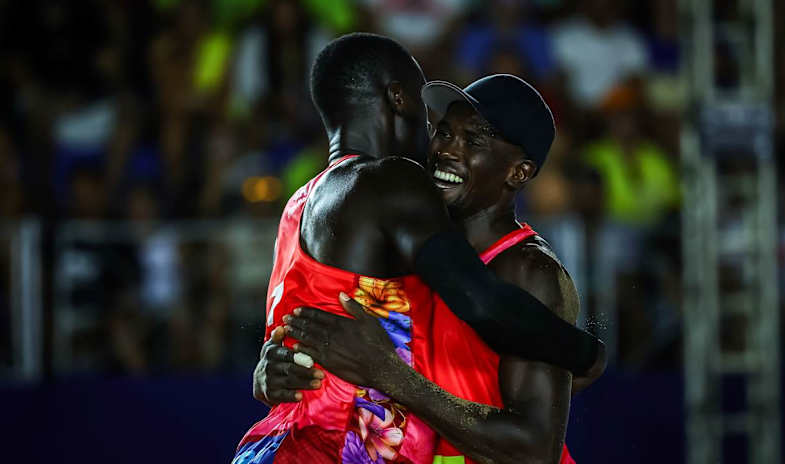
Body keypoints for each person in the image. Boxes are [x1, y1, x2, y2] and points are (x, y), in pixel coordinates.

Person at [233, 34, 602, 464]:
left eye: (474, 140)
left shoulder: (530, 270)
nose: (445, 148)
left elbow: (535, 451)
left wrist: (392, 375)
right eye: (443, 130)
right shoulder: (414, 250)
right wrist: (280, 363)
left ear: (519, 172)